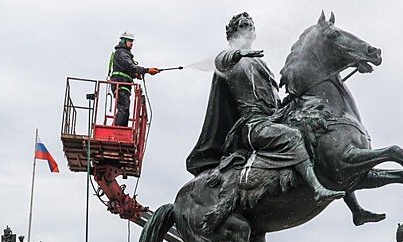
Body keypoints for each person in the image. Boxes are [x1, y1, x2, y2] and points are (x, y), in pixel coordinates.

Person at [186, 13, 344, 203]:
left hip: (271, 119)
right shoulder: (232, 59)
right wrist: (237, 53)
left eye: (251, 25)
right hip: (253, 124)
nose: (249, 29)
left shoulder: (260, 62)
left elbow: (271, 99)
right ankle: (317, 189)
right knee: (292, 136)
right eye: (244, 25)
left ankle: (355, 206)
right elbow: (221, 61)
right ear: (233, 33)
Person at [108, 31, 160, 126]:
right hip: (120, 84)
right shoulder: (121, 53)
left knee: (125, 110)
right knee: (123, 108)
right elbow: (130, 66)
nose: (132, 43)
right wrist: (147, 70)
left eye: (132, 41)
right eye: (130, 41)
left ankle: (121, 130)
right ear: (124, 41)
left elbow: (126, 69)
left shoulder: (124, 53)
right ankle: (116, 130)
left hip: (124, 84)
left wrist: (134, 75)